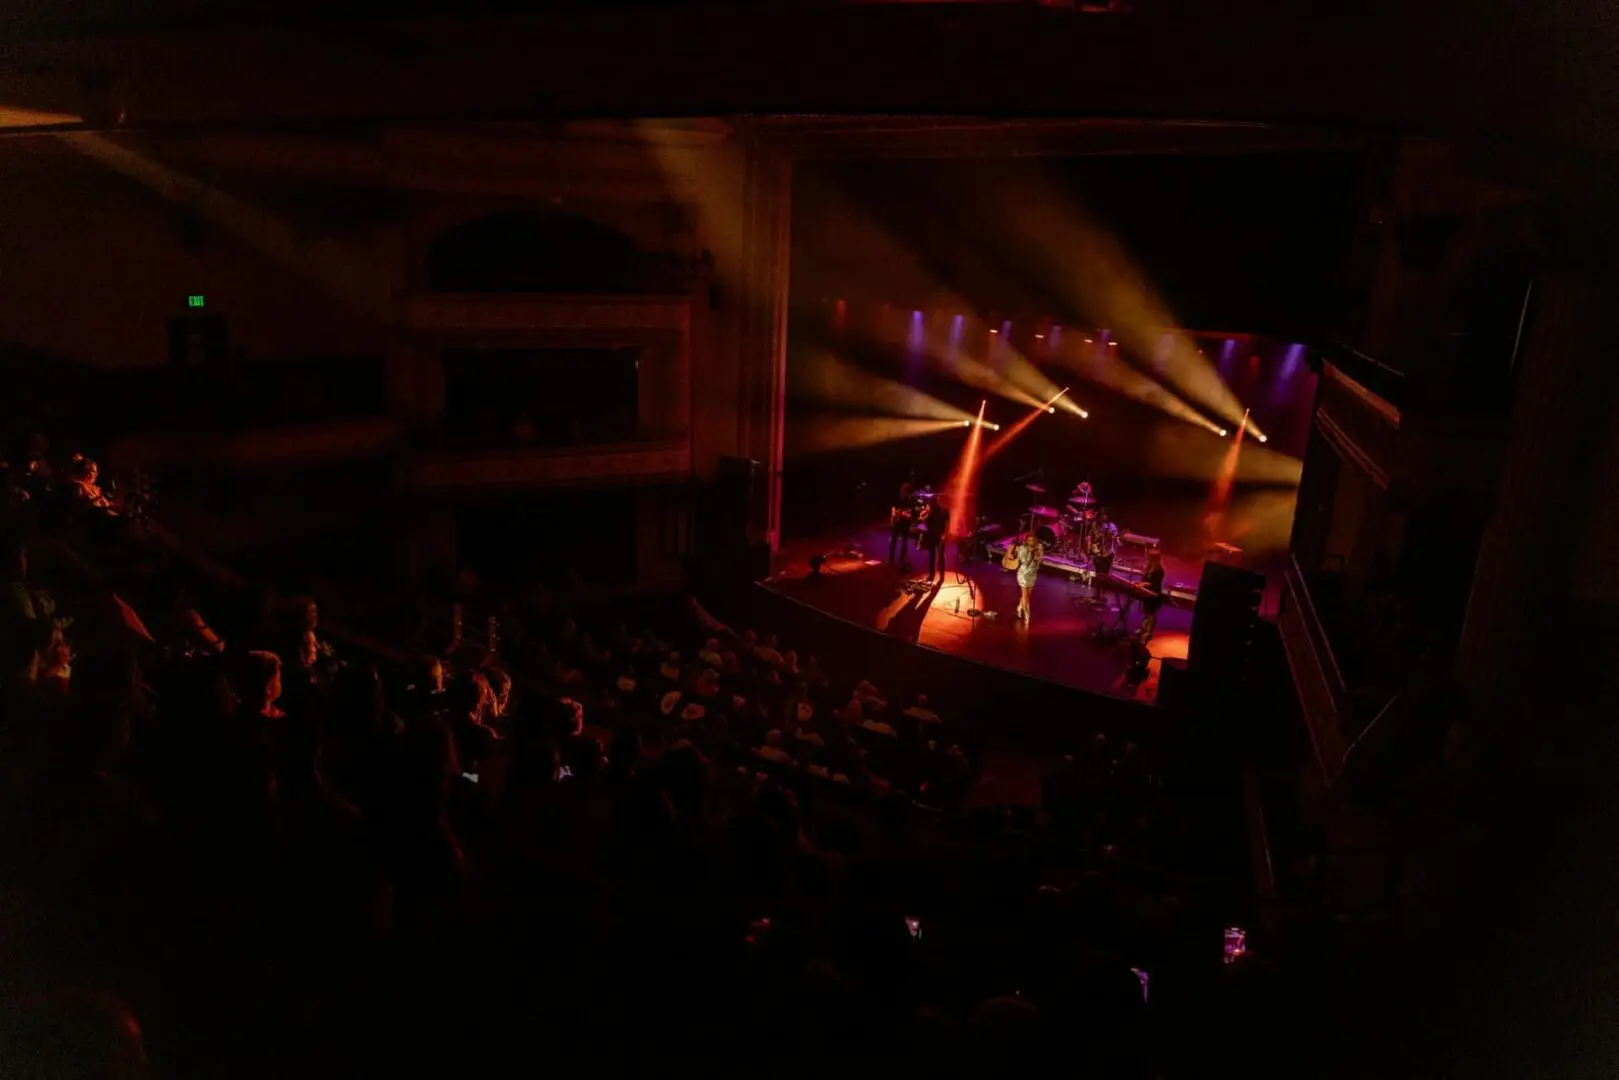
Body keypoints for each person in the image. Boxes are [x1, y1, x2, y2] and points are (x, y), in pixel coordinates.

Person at [1010, 529, 1046, 623]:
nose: (1031, 542)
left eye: (1033, 540)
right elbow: (1024, 562)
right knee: (1025, 596)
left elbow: (1041, 561)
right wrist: (1030, 552)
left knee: (1026, 596)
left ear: (1035, 540)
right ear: (1026, 541)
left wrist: (1039, 556)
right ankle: (1027, 615)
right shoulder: (1023, 548)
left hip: (1033, 574)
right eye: (1029, 540)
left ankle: (1018, 609)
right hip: (1023, 574)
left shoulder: (1039, 547)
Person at [1088, 512, 1118, 602]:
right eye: (1101, 515)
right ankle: (1097, 594)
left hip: (1108, 553)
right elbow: (1090, 535)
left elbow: (1115, 538)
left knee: (1105, 575)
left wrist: (1112, 537)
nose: (1103, 517)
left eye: (1105, 515)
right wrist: (1090, 548)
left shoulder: (1111, 526)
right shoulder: (1094, 525)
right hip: (1097, 552)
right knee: (1098, 574)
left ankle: (1103, 595)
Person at [919, 496, 951, 581]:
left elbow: (925, 523)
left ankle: (934, 575)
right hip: (937, 536)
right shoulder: (939, 511)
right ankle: (939, 576)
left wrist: (945, 534)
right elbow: (947, 523)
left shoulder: (934, 512)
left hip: (936, 536)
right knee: (937, 556)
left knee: (935, 556)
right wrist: (945, 534)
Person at [1139, 548, 1166, 642]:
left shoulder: (1159, 570)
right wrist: (1140, 583)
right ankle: (1143, 629)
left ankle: (1148, 632)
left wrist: (1145, 584)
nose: (1147, 559)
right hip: (1147, 593)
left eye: (1149, 557)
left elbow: (1154, 583)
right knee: (1146, 612)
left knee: (1151, 613)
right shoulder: (1149, 568)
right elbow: (1145, 580)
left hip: (1154, 594)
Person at [888, 482, 917, 570]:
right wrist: (893, 515)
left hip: (905, 524)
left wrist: (904, 515)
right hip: (897, 523)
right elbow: (893, 507)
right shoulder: (897, 499)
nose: (901, 492)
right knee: (893, 541)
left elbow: (912, 515)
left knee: (904, 542)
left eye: (903, 490)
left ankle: (902, 560)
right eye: (901, 490)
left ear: (907, 492)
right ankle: (891, 559)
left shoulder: (910, 501)